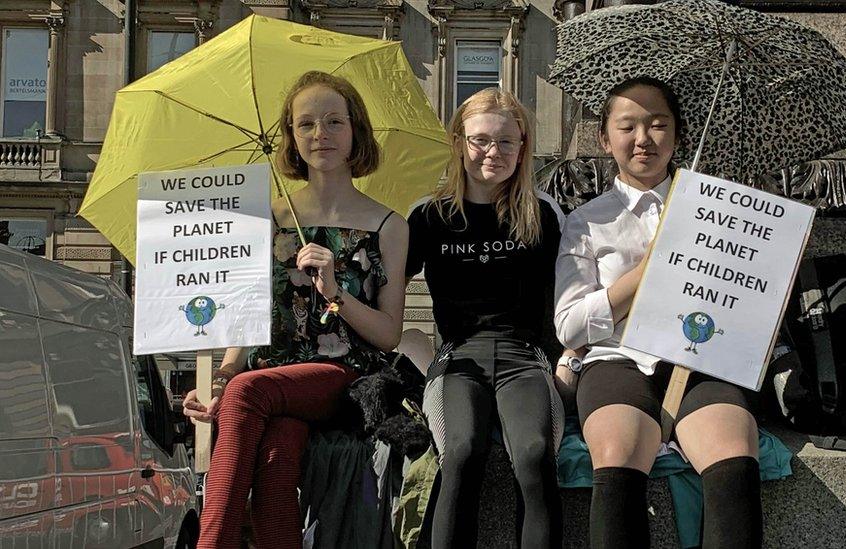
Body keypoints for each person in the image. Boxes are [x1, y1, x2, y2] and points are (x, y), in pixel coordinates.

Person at [182, 71, 409, 549]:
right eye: (305, 124)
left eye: (333, 121)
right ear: (291, 136)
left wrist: (336, 293)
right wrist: (220, 377)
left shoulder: (388, 224)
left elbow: (389, 335)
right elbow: (248, 314)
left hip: (346, 376)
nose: (319, 134)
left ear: (355, 132)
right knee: (276, 458)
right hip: (274, 379)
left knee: (247, 394)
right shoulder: (263, 219)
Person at [554, 76, 762, 549]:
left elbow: (747, 308)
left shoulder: (718, 210)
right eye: (628, 126)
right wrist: (648, 271)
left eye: (658, 125)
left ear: (678, 134)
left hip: (699, 362)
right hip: (617, 362)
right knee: (618, 450)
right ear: (605, 138)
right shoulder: (585, 220)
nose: (643, 138)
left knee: (733, 448)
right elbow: (569, 324)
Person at [406, 88, 566, 549]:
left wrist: (571, 357)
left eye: (506, 142)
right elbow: (386, 288)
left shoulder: (544, 213)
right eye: (479, 140)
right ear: (459, 141)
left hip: (526, 356)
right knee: (459, 451)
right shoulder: (429, 215)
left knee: (535, 454)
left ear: (522, 148)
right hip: (459, 358)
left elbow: (574, 292)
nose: (492, 152)